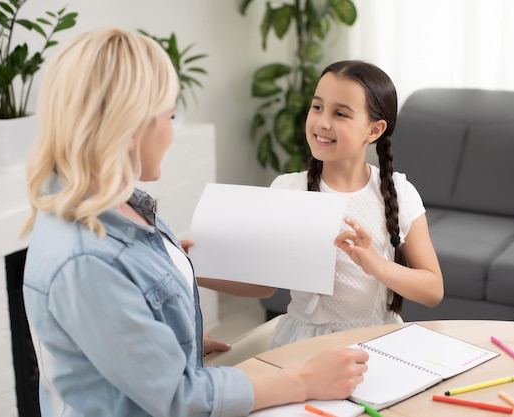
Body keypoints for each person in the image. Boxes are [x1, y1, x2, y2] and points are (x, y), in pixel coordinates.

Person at [20, 28, 369, 417]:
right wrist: (304, 380)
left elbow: (128, 323)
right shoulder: (87, 259)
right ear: (130, 126)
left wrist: (171, 341)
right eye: (169, 115)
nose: (172, 132)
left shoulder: (123, 207)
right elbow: (178, 398)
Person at [269, 60, 444, 348]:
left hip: (380, 342)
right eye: (317, 107)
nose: (322, 122)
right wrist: (196, 263)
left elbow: (433, 290)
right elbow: (262, 285)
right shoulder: (287, 190)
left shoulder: (400, 192)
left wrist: (374, 263)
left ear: (374, 131)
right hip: (303, 345)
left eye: (340, 113)